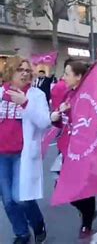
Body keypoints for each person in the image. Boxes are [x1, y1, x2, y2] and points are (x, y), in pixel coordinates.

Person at [0, 57, 49, 244]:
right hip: (2, 155)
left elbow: (44, 122)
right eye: (20, 69)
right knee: (8, 201)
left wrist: (25, 103)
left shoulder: (36, 95)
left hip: (23, 154)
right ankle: (21, 233)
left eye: (27, 70)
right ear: (10, 72)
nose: (25, 73)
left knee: (20, 198)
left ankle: (38, 224)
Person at [50, 60, 97, 240]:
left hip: (84, 150)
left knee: (83, 190)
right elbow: (61, 120)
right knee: (66, 191)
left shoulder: (89, 96)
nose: (63, 77)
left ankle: (87, 222)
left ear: (78, 77)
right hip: (67, 149)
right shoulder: (68, 94)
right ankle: (88, 212)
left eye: (67, 74)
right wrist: (57, 115)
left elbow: (95, 122)